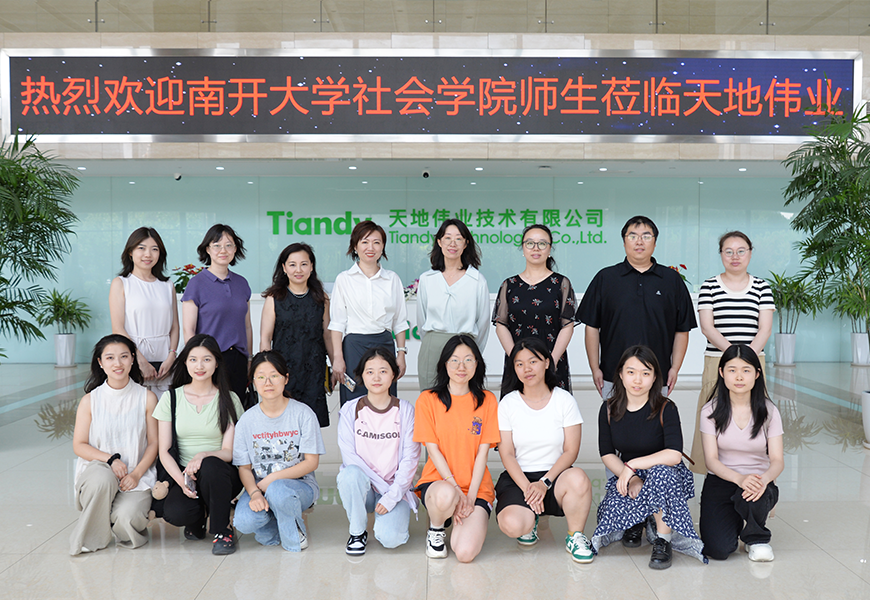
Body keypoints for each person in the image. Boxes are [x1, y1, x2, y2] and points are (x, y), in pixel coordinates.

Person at [593, 345, 706, 569]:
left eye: (645, 373)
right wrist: (633, 478)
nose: (638, 380)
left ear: (655, 378)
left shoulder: (666, 408)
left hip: (664, 473)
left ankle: (663, 540)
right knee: (609, 516)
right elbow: (607, 453)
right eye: (631, 372)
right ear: (620, 374)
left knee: (661, 475)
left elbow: (674, 455)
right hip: (629, 475)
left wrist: (632, 466)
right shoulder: (608, 409)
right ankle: (641, 519)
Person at [496, 337, 594, 563]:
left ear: (547, 362)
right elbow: (507, 454)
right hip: (519, 478)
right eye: (519, 364)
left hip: (555, 477)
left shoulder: (564, 400)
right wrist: (529, 489)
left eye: (533, 361)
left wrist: (544, 483)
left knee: (579, 478)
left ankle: (575, 536)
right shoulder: (508, 403)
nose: (526, 369)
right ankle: (529, 520)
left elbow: (570, 451)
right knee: (512, 525)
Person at [578, 215, 696, 399]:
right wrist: (595, 368)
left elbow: (682, 329)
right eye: (632, 236)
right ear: (624, 242)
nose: (639, 241)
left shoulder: (671, 280)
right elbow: (592, 327)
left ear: (655, 243)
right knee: (614, 417)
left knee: (656, 417)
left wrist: (675, 368)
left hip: (657, 374)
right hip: (613, 374)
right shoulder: (606, 278)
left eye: (646, 236)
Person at [689, 231, 775, 474]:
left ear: (750, 253)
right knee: (713, 413)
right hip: (717, 360)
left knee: (754, 411)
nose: (735, 256)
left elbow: (765, 329)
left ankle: (757, 469)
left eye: (741, 251)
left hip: (753, 361)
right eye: (728, 251)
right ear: (721, 255)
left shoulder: (762, 287)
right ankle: (712, 470)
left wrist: (745, 360)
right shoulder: (709, 286)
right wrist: (733, 357)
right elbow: (707, 327)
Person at [153, 334, 244, 555]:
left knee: (211, 466)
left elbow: (228, 452)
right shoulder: (171, 398)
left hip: (221, 474)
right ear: (185, 362)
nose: (199, 366)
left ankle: (223, 530)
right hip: (185, 474)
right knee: (176, 513)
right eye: (193, 359)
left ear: (217, 363)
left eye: (206, 359)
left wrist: (202, 455)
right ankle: (199, 515)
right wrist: (181, 481)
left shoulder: (229, 399)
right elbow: (164, 451)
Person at [70, 334, 158, 556]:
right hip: (98, 471)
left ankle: (109, 515)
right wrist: (110, 460)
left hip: (136, 476)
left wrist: (136, 474)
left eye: (124, 357)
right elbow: (79, 445)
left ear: (133, 359)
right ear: (100, 362)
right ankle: (89, 537)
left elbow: (154, 444)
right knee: (103, 478)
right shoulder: (90, 400)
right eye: (110, 358)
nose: (117, 363)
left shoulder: (147, 398)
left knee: (127, 518)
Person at [413, 335, 499, 562]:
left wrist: (469, 497)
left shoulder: (488, 400)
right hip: (440, 483)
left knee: (465, 553)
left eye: (468, 360)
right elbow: (433, 451)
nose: (461, 367)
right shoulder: (428, 400)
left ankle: (460, 515)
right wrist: (456, 490)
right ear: (444, 364)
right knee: (445, 495)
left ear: (477, 364)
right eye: (454, 360)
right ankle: (436, 529)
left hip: (475, 489)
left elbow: (482, 453)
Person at [233, 351, 326, 552]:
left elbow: (311, 462)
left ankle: (295, 537)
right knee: (243, 522)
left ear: (286, 378)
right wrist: (255, 493)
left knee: (278, 491)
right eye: (261, 377)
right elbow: (244, 468)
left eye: (274, 375)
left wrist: (273, 479)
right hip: (260, 487)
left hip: (299, 486)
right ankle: (279, 520)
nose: (268, 382)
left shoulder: (303, 414)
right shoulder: (247, 421)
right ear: (253, 382)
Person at [699, 345, 783, 562]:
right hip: (722, 480)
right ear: (721, 372)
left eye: (746, 370)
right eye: (732, 370)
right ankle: (736, 516)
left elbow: (777, 460)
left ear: (757, 374)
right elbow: (711, 460)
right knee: (718, 550)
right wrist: (738, 478)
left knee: (754, 491)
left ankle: (756, 538)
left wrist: (763, 480)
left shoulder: (769, 411)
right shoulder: (710, 411)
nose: (739, 377)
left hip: (757, 480)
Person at [336, 347, 420, 555]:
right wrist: (381, 487)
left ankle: (387, 521)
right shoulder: (350, 409)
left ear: (394, 375)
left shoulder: (406, 410)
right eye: (370, 371)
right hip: (364, 487)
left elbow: (410, 459)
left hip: (394, 488)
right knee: (349, 475)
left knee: (391, 539)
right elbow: (350, 458)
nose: (376, 377)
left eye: (383, 371)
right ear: (362, 376)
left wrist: (392, 496)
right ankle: (357, 532)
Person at [329, 220, 409, 406]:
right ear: (355, 246)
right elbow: (338, 323)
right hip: (353, 347)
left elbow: (399, 321)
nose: (370, 247)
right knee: (354, 403)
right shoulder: (344, 279)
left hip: (384, 345)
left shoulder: (392, 279)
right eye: (364, 242)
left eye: (376, 242)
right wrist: (337, 358)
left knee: (385, 401)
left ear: (383, 247)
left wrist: (401, 354)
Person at [493, 224, 577, 394]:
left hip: (552, 358)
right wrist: (517, 360)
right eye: (530, 243)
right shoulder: (509, 285)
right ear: (523, 249)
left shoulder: (561, 283)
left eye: (542, 243)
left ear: (550, 249)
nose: (536, 248)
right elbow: (501, 325)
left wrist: (551, 361)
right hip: (517, 360)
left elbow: (567, 325)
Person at [260, 242, 335, 426]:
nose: (298, 270)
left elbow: (327, 335)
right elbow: (265, 339)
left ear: (311, 267)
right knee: (285, 423)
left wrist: (335, 366)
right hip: (283, 372)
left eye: (304, 264)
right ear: (284, 268)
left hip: (314, 371)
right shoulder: (274, 298)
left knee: (311, 424)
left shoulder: (322, 298)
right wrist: (267, 373)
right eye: (292, 265)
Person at [182, 224, 253, 407]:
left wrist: (249, 358)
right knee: (212, 410)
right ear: (208, 249)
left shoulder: (242, 283)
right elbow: (189, 329)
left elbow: (246, 326)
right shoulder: (196, 284)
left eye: (229, 245)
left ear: (235, 249)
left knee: (237, 411)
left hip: (238, 359)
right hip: (209, 360)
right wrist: (196, 361)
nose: (223, 250)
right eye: (217, 245)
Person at [416, 218, 490, 390]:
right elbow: (421, 319)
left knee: (464, 398)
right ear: (439, 242)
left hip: (465, 347)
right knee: (430, 397)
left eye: (458, 238)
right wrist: (432, 341)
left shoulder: (477, 280)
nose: (453, 243)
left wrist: (473, 351)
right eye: (447, 238)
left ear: (466, 243)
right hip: (433, 347)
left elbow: (483, 323)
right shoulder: (427, 279)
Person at [109, 227, 179, 394]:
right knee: (137, 403)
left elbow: (175, 326)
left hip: (164, 357)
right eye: (141, 248)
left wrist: (171, 356)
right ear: (130, 252)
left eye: (154, 249)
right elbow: (117, 328)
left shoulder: (167, 285)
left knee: (164, 405)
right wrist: (139, 360)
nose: (148, 254)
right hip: (134, 356)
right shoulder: (121, 283)